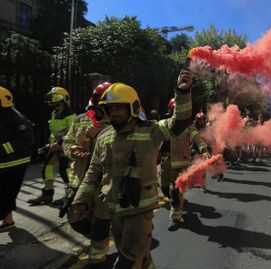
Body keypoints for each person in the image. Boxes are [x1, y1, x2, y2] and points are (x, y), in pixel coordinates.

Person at [72, 67, 193, 268]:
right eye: (111, 109)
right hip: (109, 206)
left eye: (120, 107)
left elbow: (178, 123)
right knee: (137, 256)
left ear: (133, 107)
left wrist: (182, 91)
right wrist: (80, 199)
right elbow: (93, 171)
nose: (115, 113)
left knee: (129, 259)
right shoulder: (104, 136)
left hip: (139, 210)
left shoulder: (151, 131)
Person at [61, 82, 112, 266]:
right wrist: (73, 149)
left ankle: (99, 254)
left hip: (104, 181)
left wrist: (97, 136)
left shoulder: (117, 122)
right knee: (75, 218)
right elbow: (67, 141)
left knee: (100, 219)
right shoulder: (81, 119)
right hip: (80, 178)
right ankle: (100, 238)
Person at [159, 105, 208, 231]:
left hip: (180, 164)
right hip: (165, 163)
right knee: (165, 190)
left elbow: (197, 138)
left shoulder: (188, 128)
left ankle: (175, 217)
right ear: (170, 111)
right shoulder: (163, 124)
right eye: (175, 110)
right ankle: (179, 203)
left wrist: (203, 149)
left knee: (175, 191)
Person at [28, 87, 76, 205]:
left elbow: (72, 132)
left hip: (66, 146)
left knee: (65, 171)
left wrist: (59, 143)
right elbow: (54, 133)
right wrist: (48, 145)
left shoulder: (70, 114)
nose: (54, 104)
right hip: (55, 147)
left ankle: (70, 196)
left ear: (64, 99)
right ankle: (47, 195)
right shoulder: (54, 114)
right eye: (52, 100)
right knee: (47, 168)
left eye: (57, 100)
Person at [0, 86, 35, 230]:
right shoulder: (4, 114)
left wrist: (2, 149)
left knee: (4, 193)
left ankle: (7, 219)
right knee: (5, 194)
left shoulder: (16, 117)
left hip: (14, 163)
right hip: (4, 163)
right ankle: (8, 221)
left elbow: (27, 139)